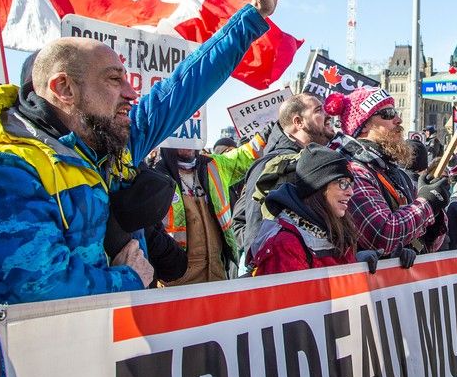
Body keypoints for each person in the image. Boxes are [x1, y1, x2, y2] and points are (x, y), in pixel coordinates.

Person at [0, 0, 284, 377]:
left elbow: (182, 91)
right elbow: (40, 292)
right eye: (113, 80)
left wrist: (250, 20)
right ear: (63, 89)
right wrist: (132, 277)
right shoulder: (4, 169)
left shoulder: (105, 146)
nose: (130, 94)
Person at [326, 87, 448, 255]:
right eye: (388, 113)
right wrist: (427, 203)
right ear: (364, 125)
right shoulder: (352, 172)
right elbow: (382, 237)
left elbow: (428, 244)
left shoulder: (395, 172)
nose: (398, 120)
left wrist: (436, 210)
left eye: (396, 112)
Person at [248, 144, 379, 274]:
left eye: (350, 184)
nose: (350, 192)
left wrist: (356, 264)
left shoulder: (332, 229)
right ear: (318, 187)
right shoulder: (286, 243)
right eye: (342, 183)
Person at [231, 92, 335, 256]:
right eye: (318, 110)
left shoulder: (310, 160)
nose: (328, 115)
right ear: (298, 122)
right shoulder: (273, 165)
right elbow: (254, 229)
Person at [151, 141, 261, 283]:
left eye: (192, 137)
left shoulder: (214, 165)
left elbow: (247, 154)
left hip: (217, 272)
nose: (188, 143)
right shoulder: (156, 176)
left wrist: (274, 130)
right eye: (181, 138)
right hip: (176, 280)